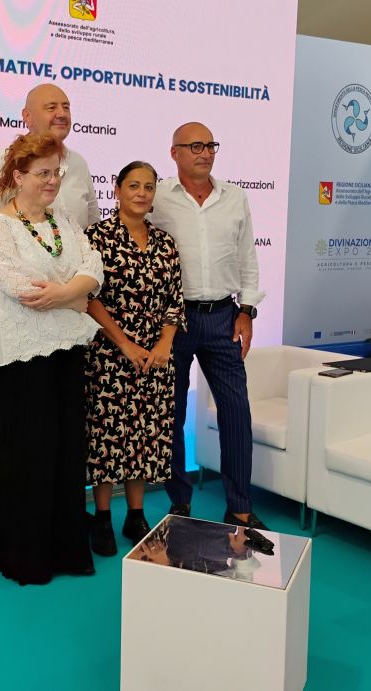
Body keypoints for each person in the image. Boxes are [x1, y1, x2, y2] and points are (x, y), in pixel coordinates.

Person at [0, 132, 103, 585]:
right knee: (26, 456)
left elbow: (94, 268)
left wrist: (70, 293)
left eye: (57, 172)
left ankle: (66, 551)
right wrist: (75, 296)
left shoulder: (63, 220)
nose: (52, 180)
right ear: (17, 176)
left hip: (67, 351)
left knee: (65, 454)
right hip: (19, 357)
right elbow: (22, 288)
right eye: (42, 173)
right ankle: (25, 557)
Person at [149, 122, 267, 530]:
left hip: (223, 317)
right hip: (172, 320)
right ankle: (180, 502)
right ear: (174, 153)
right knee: (171, 413)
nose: (205, 152)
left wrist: (246, 310)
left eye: (210, 145)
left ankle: (239, 507)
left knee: (236, 412)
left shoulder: (235, 197)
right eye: (195, 146)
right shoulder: (157, 197)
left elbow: (247, 257)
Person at [83, 161, 185, 556]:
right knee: (107, 437)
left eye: (148, 186)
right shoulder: (96, 237)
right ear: (117, 189)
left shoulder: (165, 242)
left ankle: (136, 515)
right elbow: (90, 298)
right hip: (109, 355)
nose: (141, 193)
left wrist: (164, 344)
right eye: (133, 185)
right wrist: (125, 344)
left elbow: (175, 300)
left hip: (156, 358)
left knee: (145, 435)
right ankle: (102, 517)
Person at [0, 83, 99, 228]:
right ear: (28, 117)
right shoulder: (0, 164)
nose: (62, 114)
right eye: (51, 108)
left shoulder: (78, 163)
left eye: (66, 107)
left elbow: (93, 225)